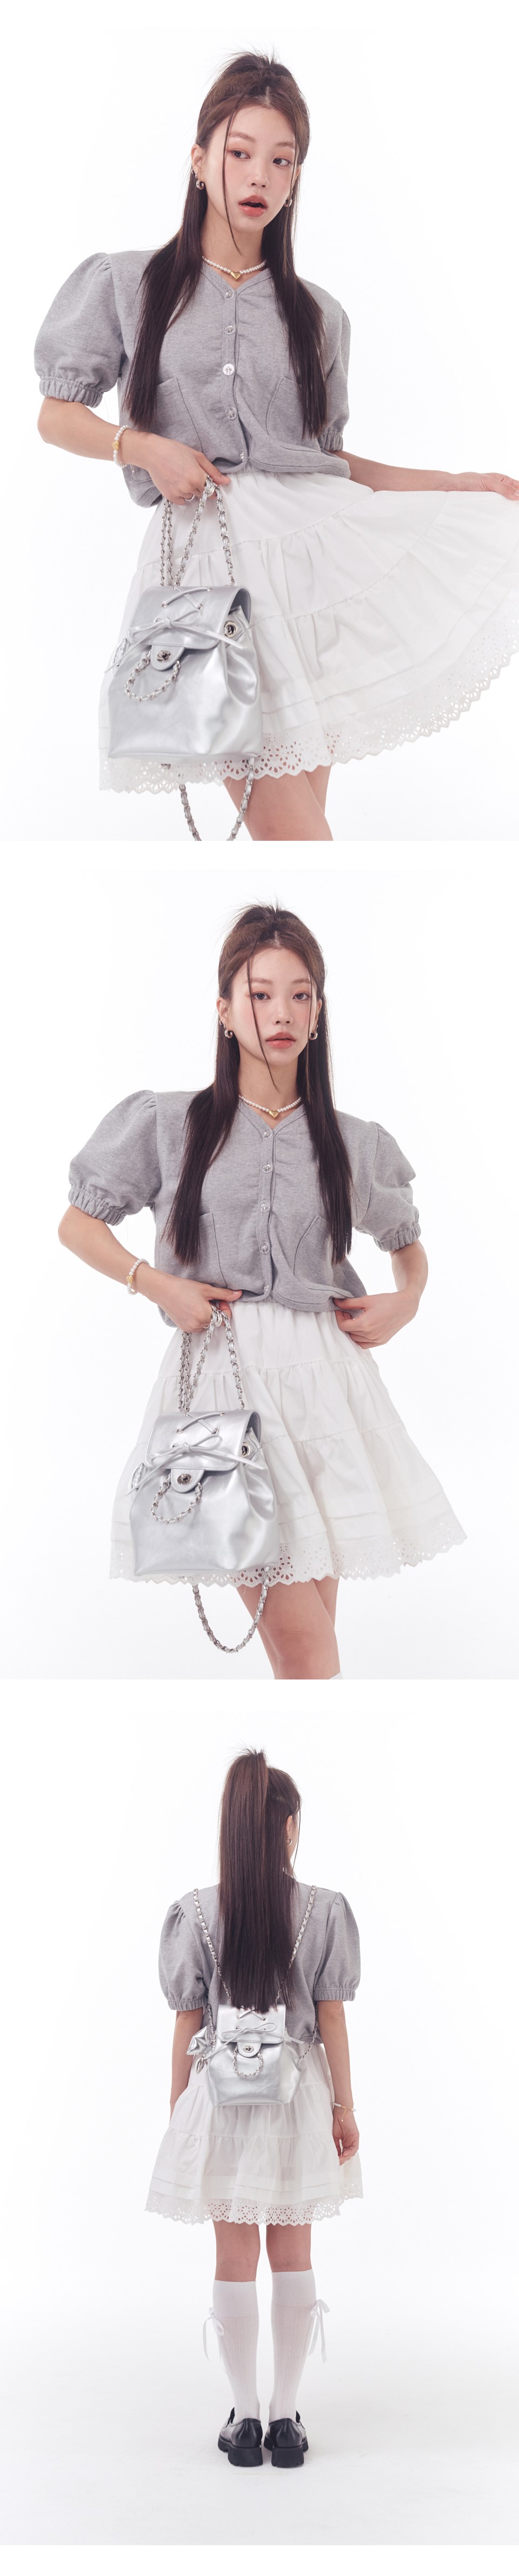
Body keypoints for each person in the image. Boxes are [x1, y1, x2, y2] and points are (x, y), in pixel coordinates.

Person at [35, 52, 519, 845]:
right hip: (205, 573)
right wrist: (143, 448)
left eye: (282, 160)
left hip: (315, 569)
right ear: (200, 160)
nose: (260, 175)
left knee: (299, 838)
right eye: (240, 152)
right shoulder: (128, 284)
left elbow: (327, 463)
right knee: (295, 835)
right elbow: (56, 415)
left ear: (296, 177)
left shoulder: (318, 316)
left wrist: (453, 482)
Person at [58, 902, 464, 1678]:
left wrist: (407, 1300)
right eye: (261, 993)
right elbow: (78, 1225)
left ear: (318, 1011)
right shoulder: (168, 1123)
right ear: (224, 1009)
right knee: (306, 1646)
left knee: (306, 1646)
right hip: (222, 1382)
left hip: (327, 1385)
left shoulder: (352, 1141)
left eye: (300, 995)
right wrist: (156, 1286)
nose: (282, 1013)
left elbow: (406, 1243)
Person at [146, 1749, 362, 2467]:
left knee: (233, 2256)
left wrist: (179, 2108)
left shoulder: (197, 1912)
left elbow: (187, 2020)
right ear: (289, 1826)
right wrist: (345, 2107)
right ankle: (285, 2422)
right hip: (298, 2097)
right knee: (293, 2253)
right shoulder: (323, 1910)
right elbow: (332, 2016)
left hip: (223, 2099)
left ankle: (243, 2420)